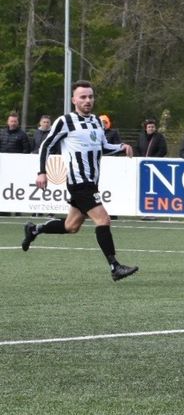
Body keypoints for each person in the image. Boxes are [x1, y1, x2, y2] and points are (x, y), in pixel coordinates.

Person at [21, 81, 138, 281]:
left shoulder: (96, 122)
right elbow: (46, 146)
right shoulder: (65, 121)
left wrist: (121, 147)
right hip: (79, 182)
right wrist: (42, 172)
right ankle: (114, 267)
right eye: (82, 97)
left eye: (90, 97)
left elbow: (102, 147)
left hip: (92, 182)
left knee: (71, 226)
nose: (87, 101)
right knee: (103, 220)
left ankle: (35, 229)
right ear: (74, 99)